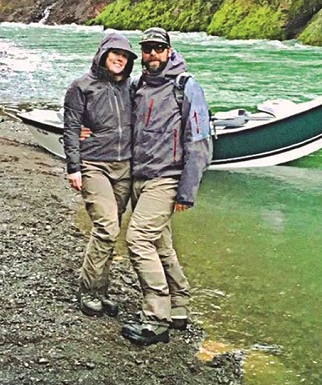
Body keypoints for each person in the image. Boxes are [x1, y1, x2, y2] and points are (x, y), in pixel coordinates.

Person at [120, 27, 212, 346]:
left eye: (159, 48)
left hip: (166, 178)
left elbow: (199, 141)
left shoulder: (186, 87)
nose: (153, 54)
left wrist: (187, 191)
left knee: (138, 239)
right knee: (159, 244)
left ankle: (156, 319)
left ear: (170, 51)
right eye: (147, 49)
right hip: (138, 179)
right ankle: (179, 307)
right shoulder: (137, 87)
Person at [62, 31, 137, 317]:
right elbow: (71, 128)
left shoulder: (131, 88)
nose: (120, 58)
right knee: (107, 227)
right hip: (94, 165)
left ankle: (101, 289)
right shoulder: (81, 87)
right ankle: (89, 290)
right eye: (115, 53)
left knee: (111, 229)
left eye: (126, 56)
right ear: (103, 54)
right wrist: (74, 167)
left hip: (126, 166)